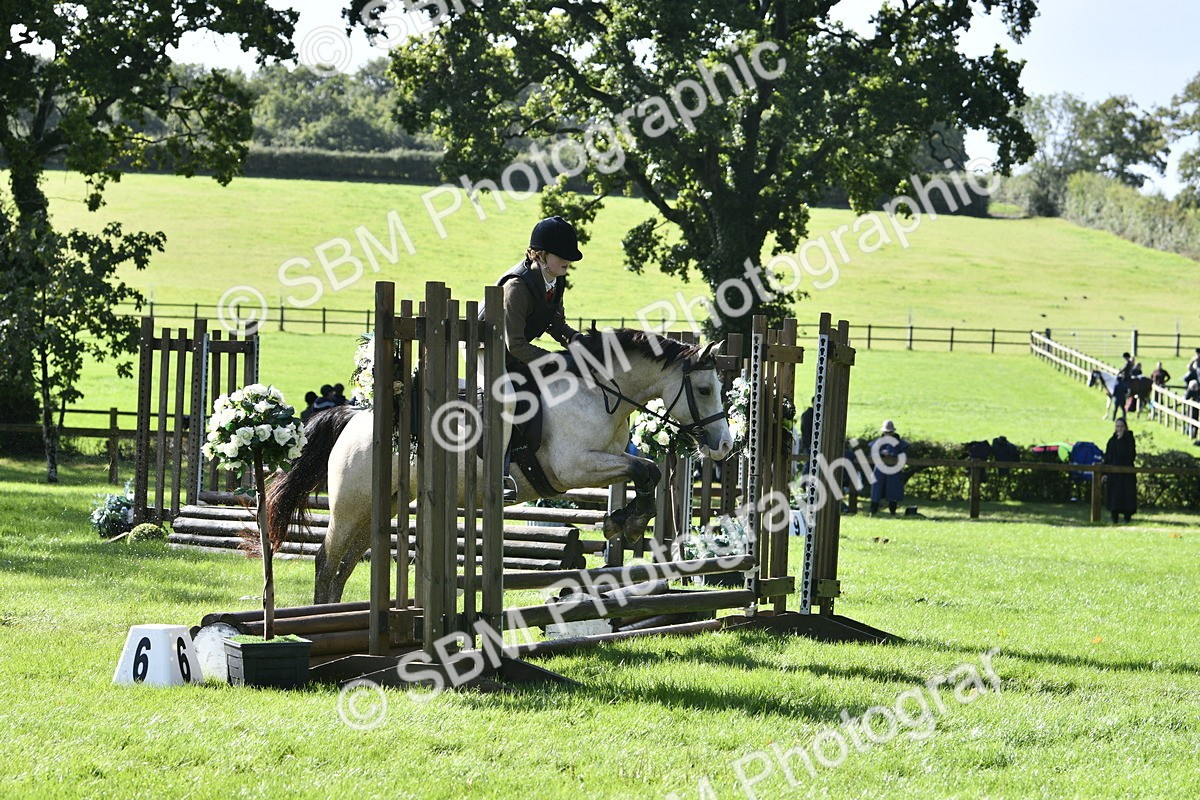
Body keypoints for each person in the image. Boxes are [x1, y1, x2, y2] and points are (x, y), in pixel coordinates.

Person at [484, 215, 584, 500]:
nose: (567, 260)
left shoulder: (555, 281)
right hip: (486, 351)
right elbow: (514, 343)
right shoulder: (517, 287)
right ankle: (499, 473)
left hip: (514, 354)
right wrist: (554, 361)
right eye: (562, 255)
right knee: (509, 399)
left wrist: (578, 342)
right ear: (540, 254)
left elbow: (555, 324)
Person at [869, 420, 909, 516]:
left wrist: (893, 455)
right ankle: (872, 512)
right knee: (876, 490)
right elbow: (872, 453)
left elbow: (904, 455)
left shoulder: (900, 444)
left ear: (893, 432)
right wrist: (881, 453)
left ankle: (893, 512)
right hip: (879, 468)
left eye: (889, 432)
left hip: (894, 469)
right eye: (886, 432)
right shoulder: (877, 443)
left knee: (893, 490)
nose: (888, 434)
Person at [1101, 418, 1137, 524]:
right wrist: (1104, 473)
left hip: (1126, 474)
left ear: (1125, 427)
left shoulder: (1129, 440)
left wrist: (1121, 441)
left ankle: (1127, 518)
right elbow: (1107, 457)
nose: (1119, 429)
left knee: (1127, 497)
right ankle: (1114, 518)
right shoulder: (1111, 441)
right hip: (1114, 474)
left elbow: (1129, 456)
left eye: (1121, 426)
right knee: (1114, 498)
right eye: (1117, 426)